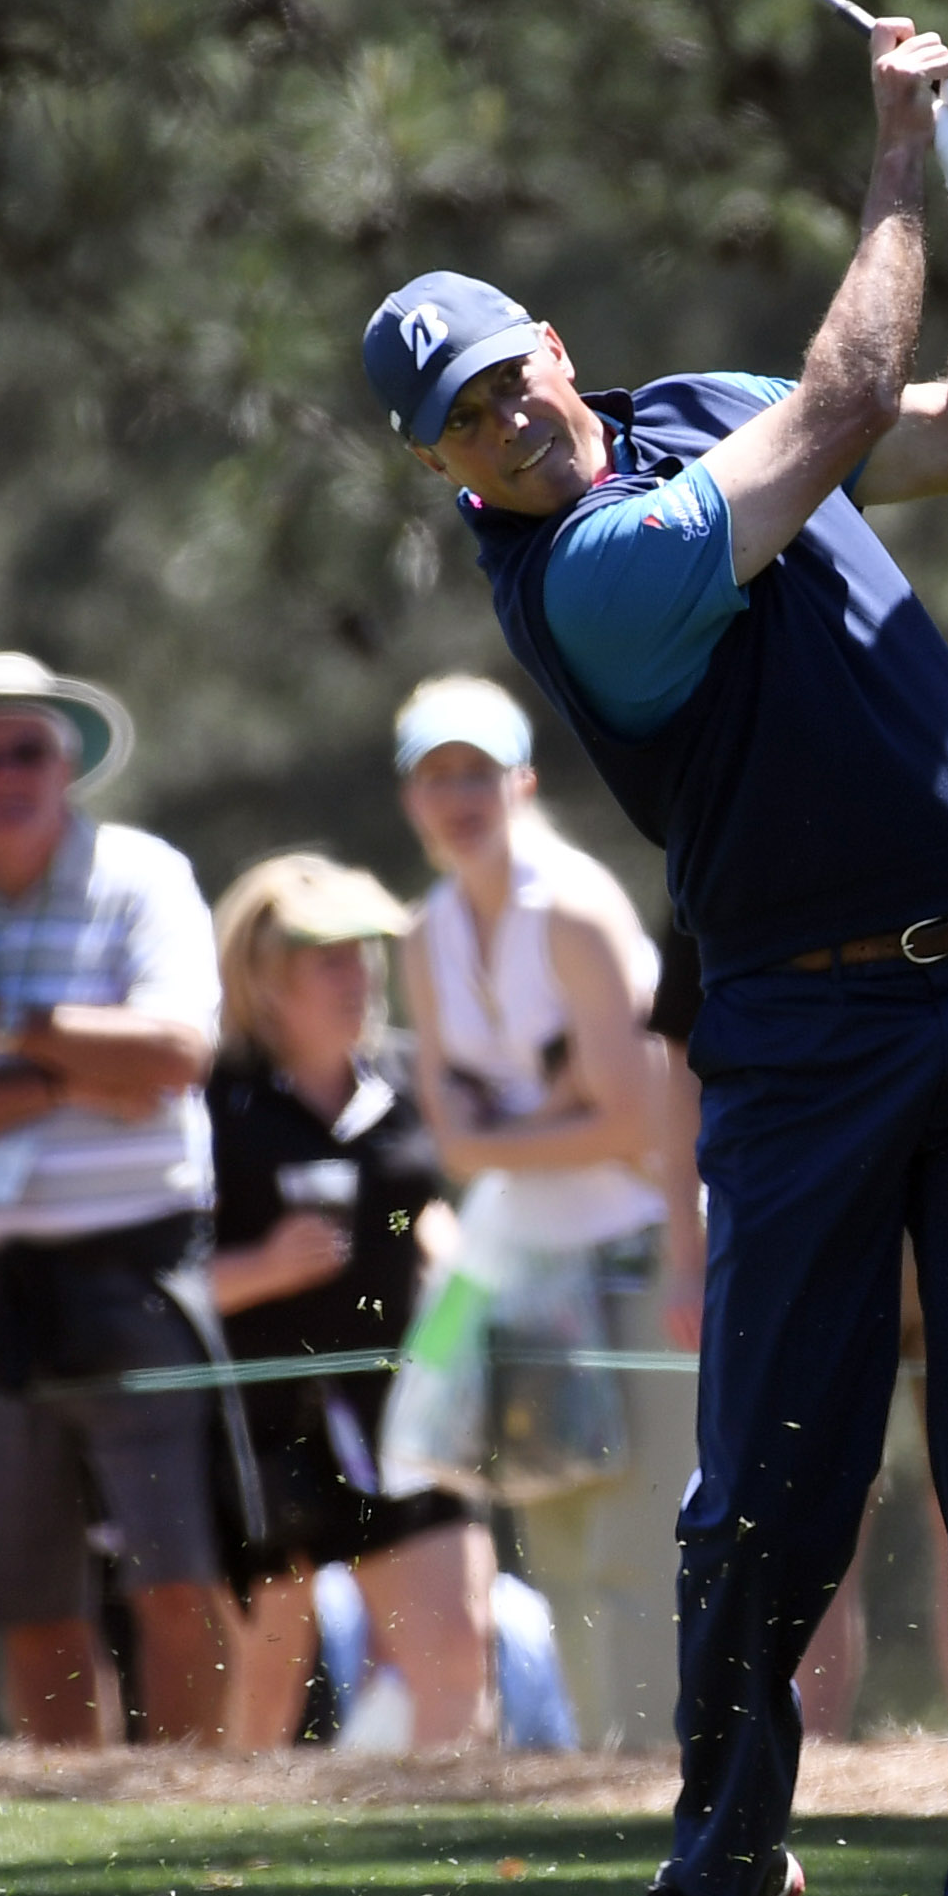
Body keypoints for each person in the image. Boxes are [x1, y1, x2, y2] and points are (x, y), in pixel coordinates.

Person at [366, 18, 948, 1896]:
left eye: (519, 379)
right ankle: (717, 1871)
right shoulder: (586, 578)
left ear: (556, 345)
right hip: (801, 1026)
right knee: (759, 1492)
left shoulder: (679, 408)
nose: (518, 426)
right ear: (447, 471)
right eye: (471, 426)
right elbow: (858, 383)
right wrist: (892, 148)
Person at [0, 653, 245, 1748]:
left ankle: (183, 1826)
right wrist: (71, 1070)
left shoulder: (142, 877)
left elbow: (176, 1052)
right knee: (29, 1607)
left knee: (178, 1580)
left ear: (66, 761)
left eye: (25, 747)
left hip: (134, 1274)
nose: (4, 772)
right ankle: (71, 1832)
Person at [390, 675, 675, 1750]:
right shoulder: (427, 933)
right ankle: (594, 1777)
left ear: (521, 781)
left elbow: (634, 1124)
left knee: (639, 1536)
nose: (457, 795)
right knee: (553, 1535)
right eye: (435, 775)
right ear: (411, 798)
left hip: (636, 1248)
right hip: (525, 1261)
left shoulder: (574, 906)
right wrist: (544, 1113)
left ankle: (658, 1777)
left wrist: (499, 1136)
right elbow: (451, 1133)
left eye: (476, 771)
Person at [203, 853, 498, 1751]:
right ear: (264, 979)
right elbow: (159, 1282)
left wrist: (440, 1240)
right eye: (328, 957)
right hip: (258, 1434)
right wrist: (261, 1267)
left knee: (458, 1650)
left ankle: (449, 1870)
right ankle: (228, 1877)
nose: (357, 976)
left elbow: (411, 1201)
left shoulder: (402, 1085)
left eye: (363, 954)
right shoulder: (212, 1110)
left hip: (401, 1417)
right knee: (260, 1693)